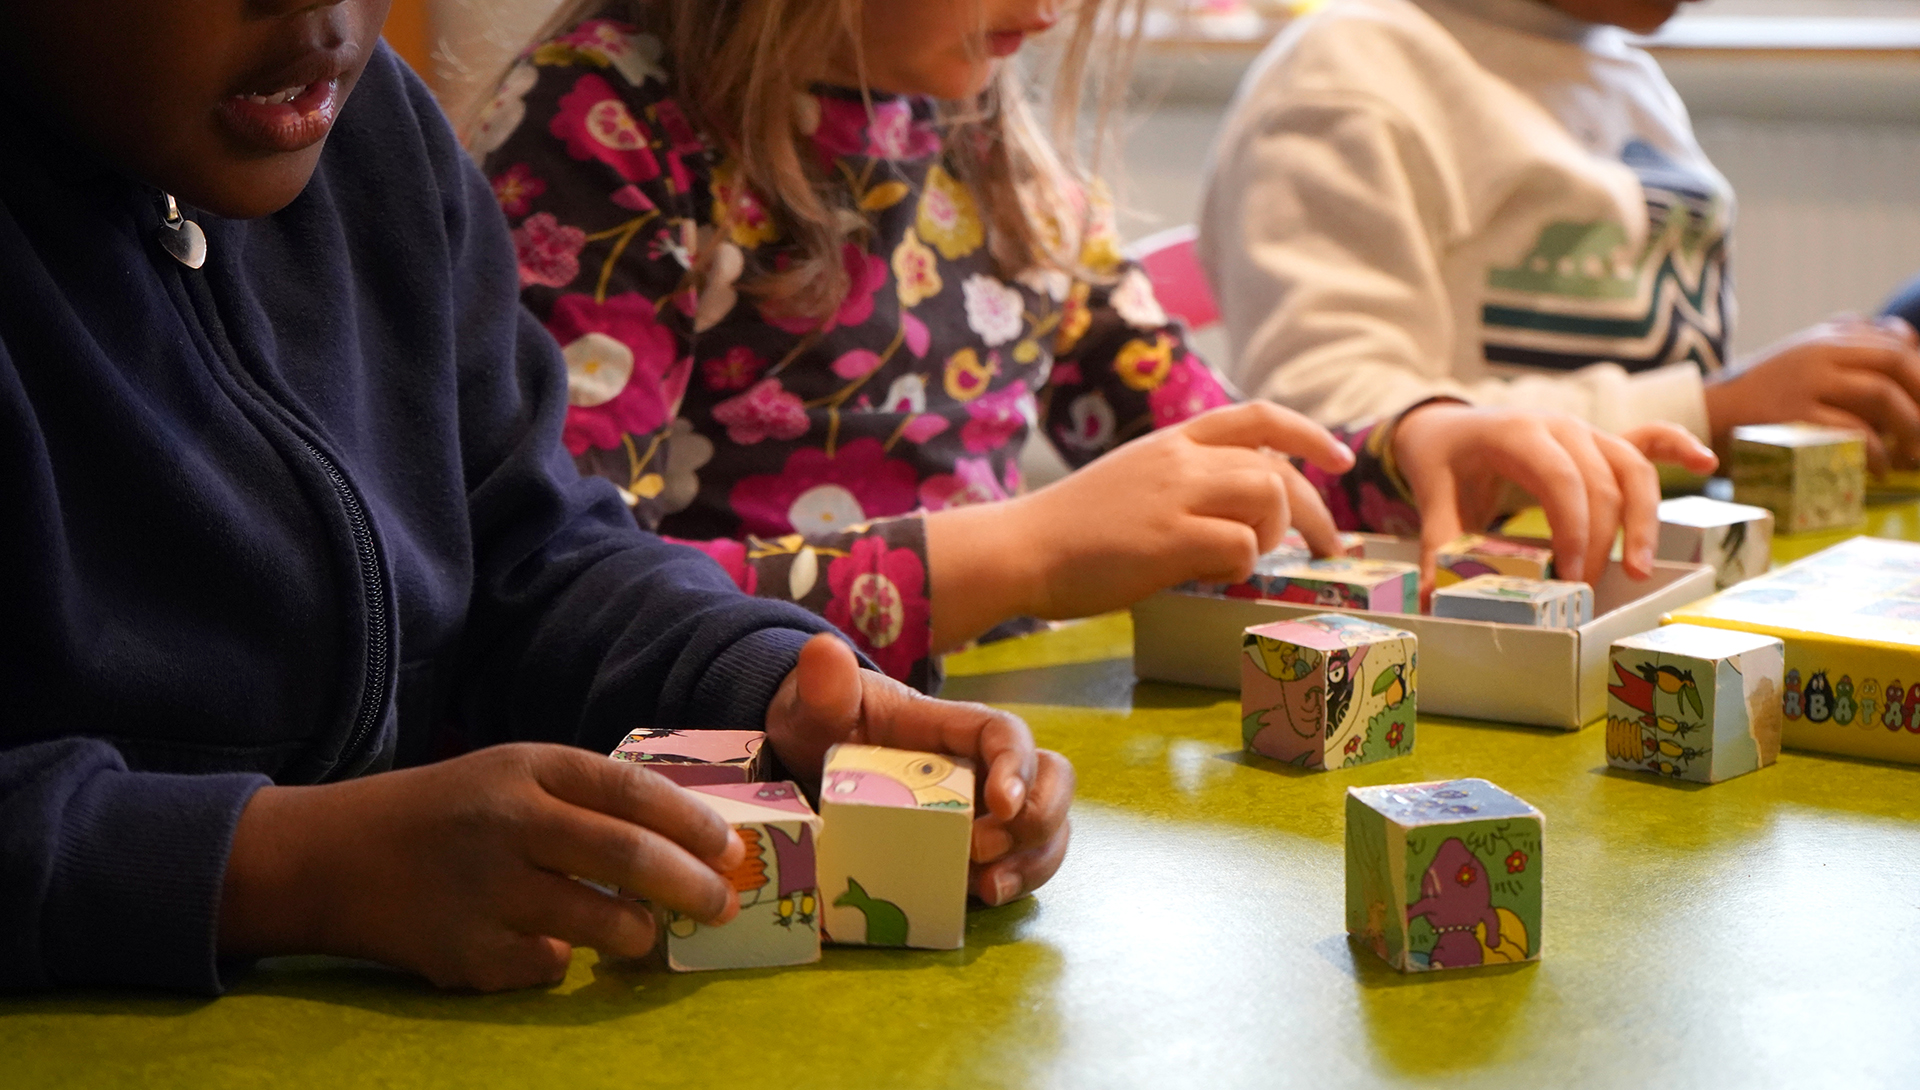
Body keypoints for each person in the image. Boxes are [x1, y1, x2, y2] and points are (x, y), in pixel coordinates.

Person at [0, 0, 1072, 995]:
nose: (323, 9)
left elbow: (537, 547)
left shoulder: (377, 138)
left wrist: (765, 681)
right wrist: (287, 868)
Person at [472, 0, 1717, 692]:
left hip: (1001, 763)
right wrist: (1025, 553)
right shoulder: (607, 128)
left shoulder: (981, 140)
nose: (1056, 11)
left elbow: (1219, 441)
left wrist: (1425, 444)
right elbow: (575, 594)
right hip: (732, 780)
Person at [1200, 0, 1920, 475]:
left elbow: (1667, 365)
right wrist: (1712, 413)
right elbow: (1331, 431)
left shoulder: (1629, 76)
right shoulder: (1347, 75)